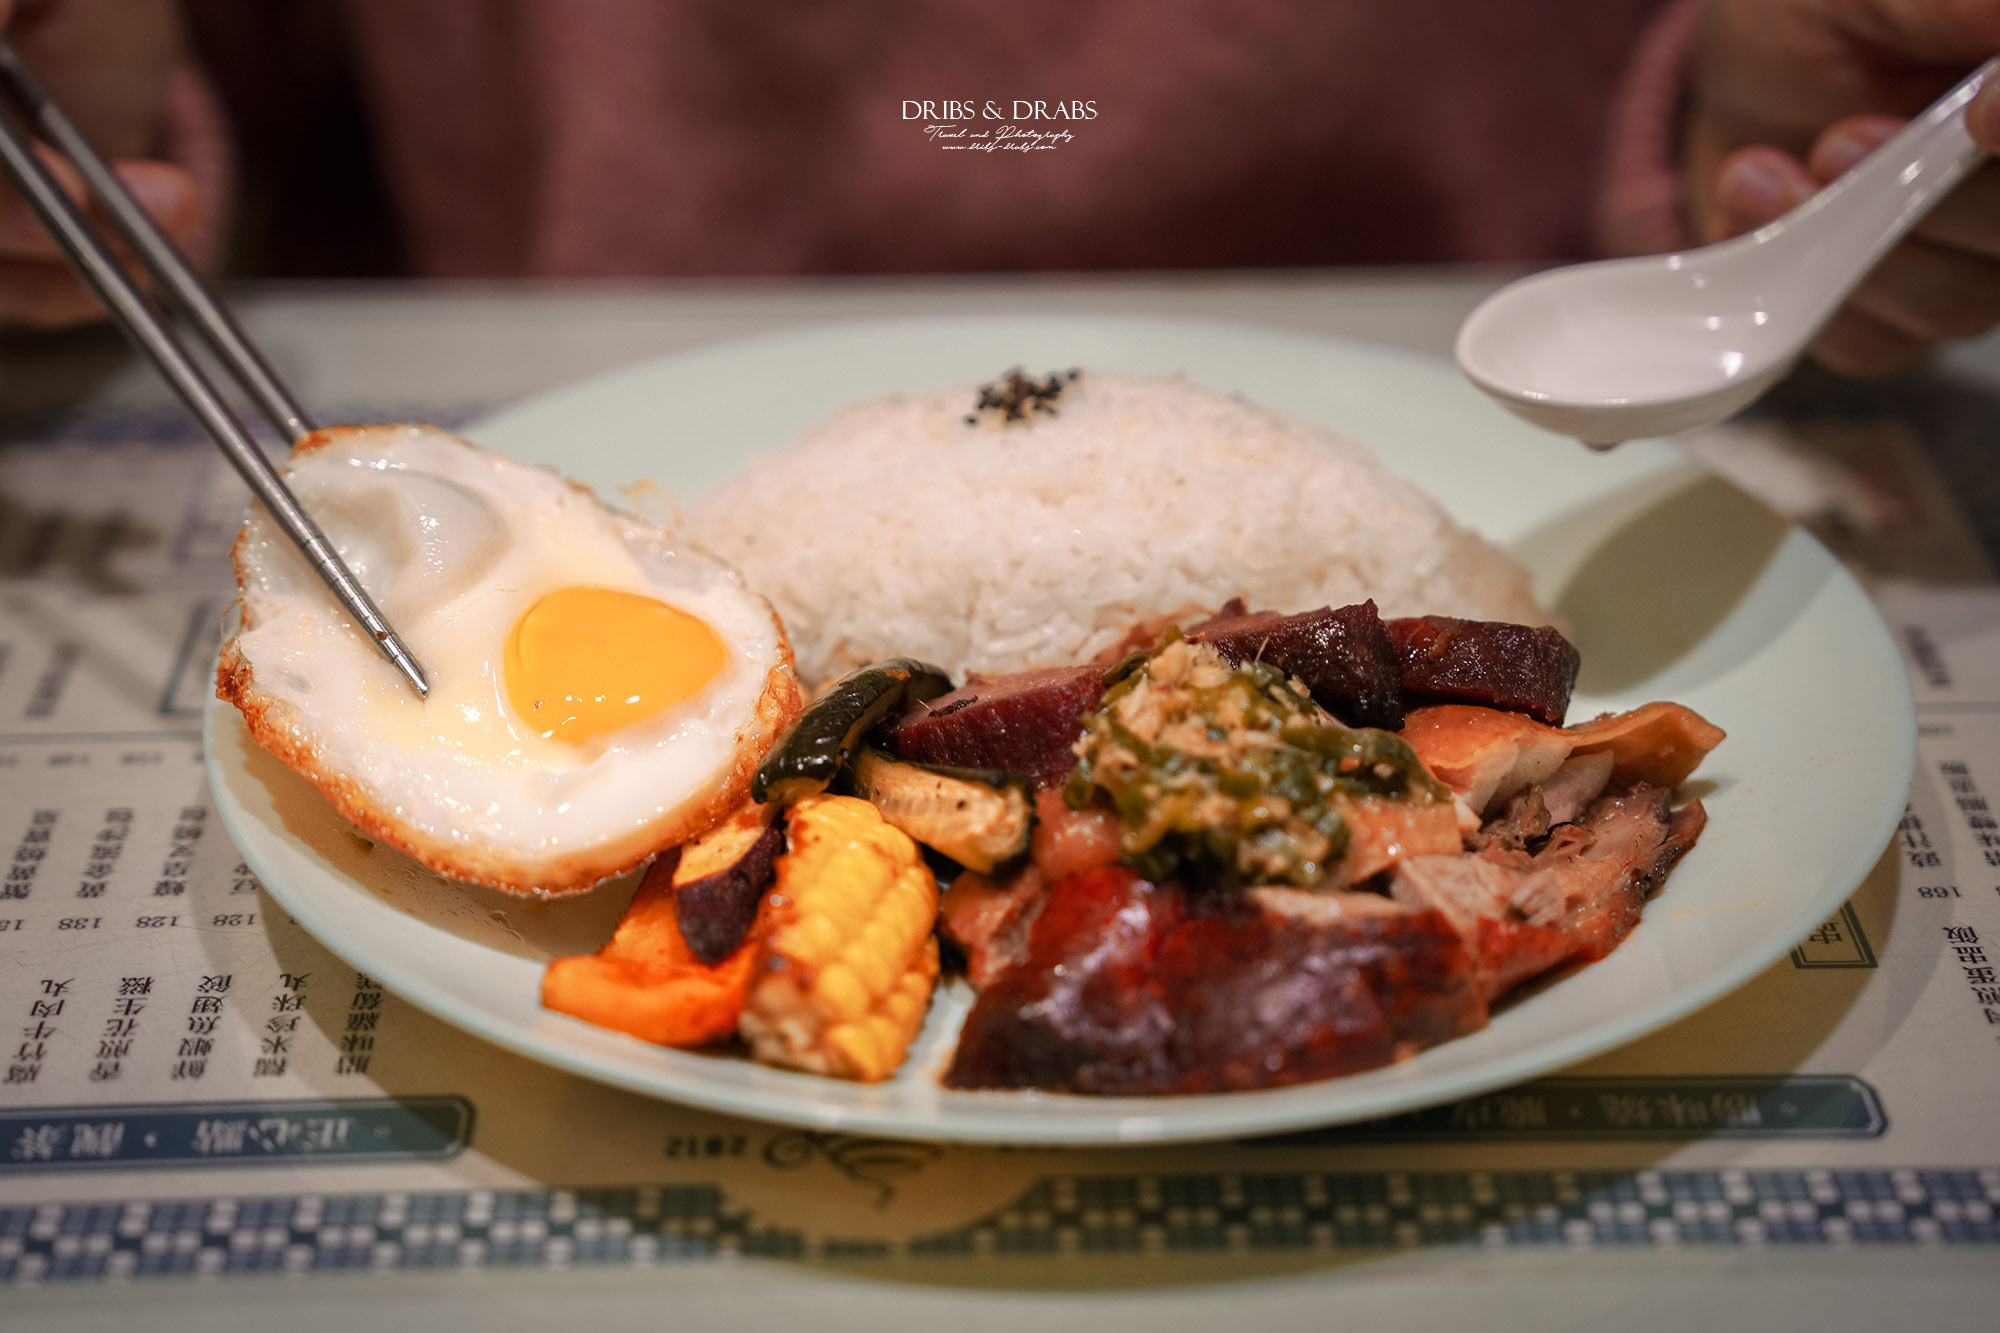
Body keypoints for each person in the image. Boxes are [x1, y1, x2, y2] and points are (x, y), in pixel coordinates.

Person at [2, 0, 1999, 379]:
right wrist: (112, 108)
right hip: (568, 422)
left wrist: (1742, 119)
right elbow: (233, 67)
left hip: (1505, 418)